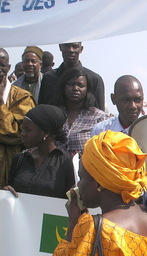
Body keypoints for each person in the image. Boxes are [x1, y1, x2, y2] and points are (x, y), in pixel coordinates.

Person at [4, 105, 73, 199]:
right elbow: (11, 189)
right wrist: (6, 192)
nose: (23, 134)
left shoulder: (66, 162)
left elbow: (72, 200)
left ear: (46, 133)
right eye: (23, 129)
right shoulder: (20, 159)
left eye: (28, 130)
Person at [0, 48, 36, 187]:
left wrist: (1, 105)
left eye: (2, 65)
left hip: (8, 173)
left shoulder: (22, 97)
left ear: (8, 67)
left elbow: (17, 134)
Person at [55, 67, 109, 154]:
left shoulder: (99, 117)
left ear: (87, 89)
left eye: (80, 85)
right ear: (63, 87)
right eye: (71, 84)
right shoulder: (54, 114)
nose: (75, 88)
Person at [39, 42, 105, 110]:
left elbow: (100, 115)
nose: (71, 50)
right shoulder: (49, 78)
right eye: (66, 46)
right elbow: (41, 110)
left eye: (75, 46)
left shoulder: (94, 79)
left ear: (81, 49)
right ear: (60, 47)